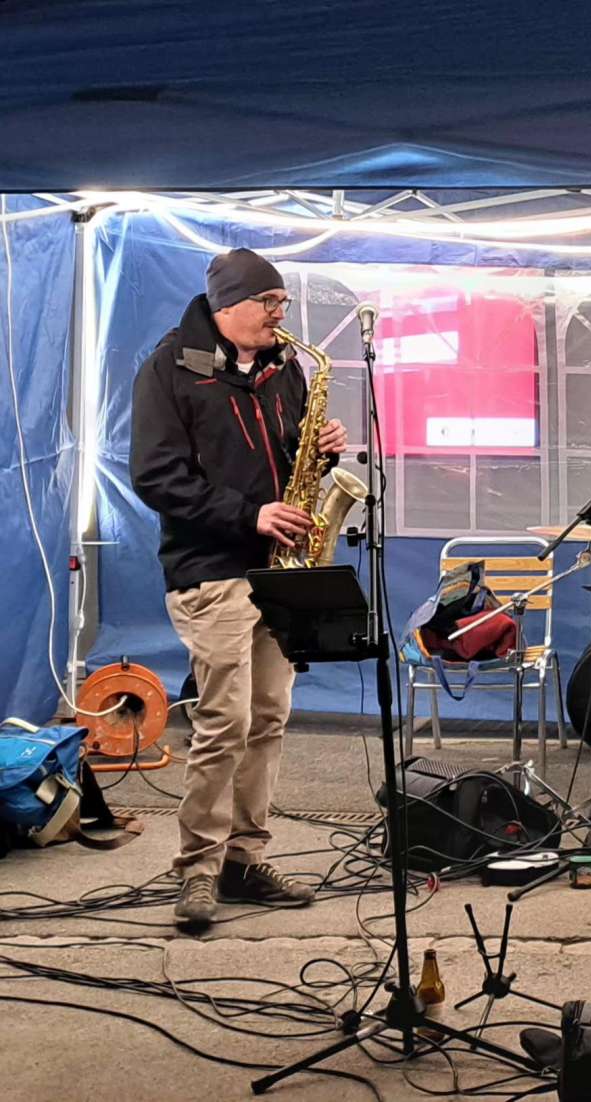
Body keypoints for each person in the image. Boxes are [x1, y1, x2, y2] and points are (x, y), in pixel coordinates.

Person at [129, 248, 347, 932]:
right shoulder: (169, 369)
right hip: (212, 569)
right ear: (228, 306)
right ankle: (198, 866)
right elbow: (156, 476)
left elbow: (286, 458)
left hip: (280, 570)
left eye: (284, 303)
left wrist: (321, 452)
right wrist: (248, 515)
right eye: (269, 303)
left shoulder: (286, 369)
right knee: (225, 722)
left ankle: (245, 860)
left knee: (269, 719)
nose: (281, 316)